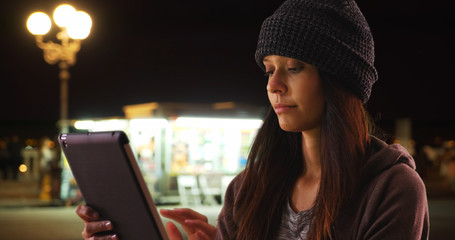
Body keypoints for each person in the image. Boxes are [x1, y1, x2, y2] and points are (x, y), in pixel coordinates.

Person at [76, 0, 430, 239]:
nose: (274, 85)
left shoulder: (391, 189)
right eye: (269, 69)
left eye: (293, 68)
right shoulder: (248, 188)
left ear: (340, 81)